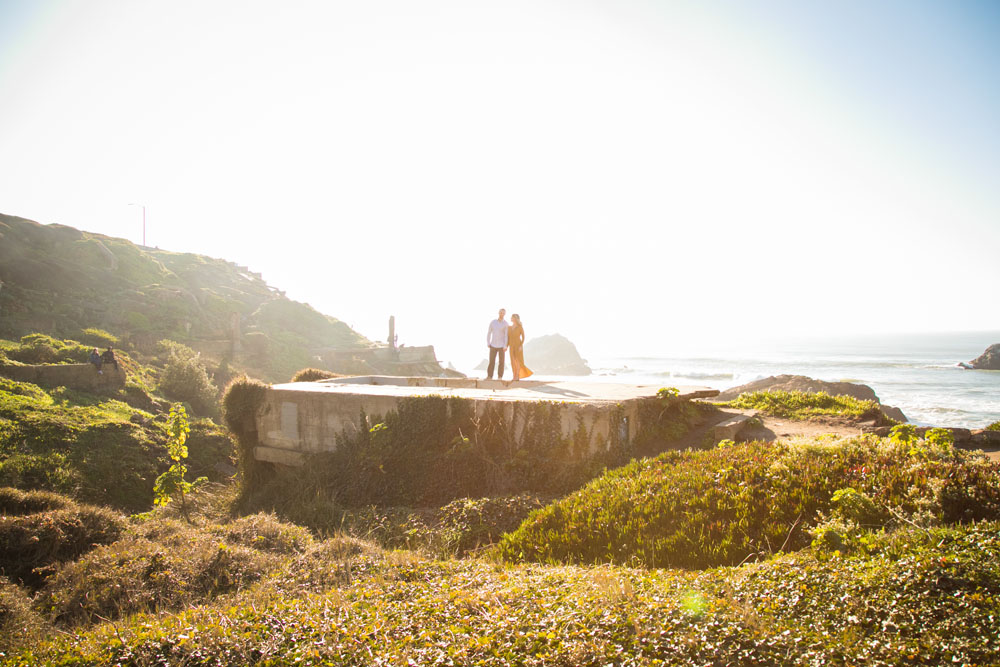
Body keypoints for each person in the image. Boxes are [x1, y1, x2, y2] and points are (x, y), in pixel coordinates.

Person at [507, 313, 533, 381]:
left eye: (512, 317)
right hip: (511, 346)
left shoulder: (520, 327)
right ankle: (514, 375)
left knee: (518, 361)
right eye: (511, 317)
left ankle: (517, 376)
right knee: (513, 361)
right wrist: (506, 346)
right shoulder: (509, 328)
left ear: (515, 319)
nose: (511, 318)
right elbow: (508, 338)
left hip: (518, 345)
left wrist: (521, 345)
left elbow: (523, 337)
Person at [486, 308, 509, 380]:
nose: (501, 314)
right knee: (491, 361)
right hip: (493, 345)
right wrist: (488, 342)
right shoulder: (493, 322)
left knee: (501, 362)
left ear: (504, 314)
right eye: (500, 312)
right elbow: (489, 333)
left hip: (501, 345)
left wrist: (505, 345)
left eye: (503, 313)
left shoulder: (506, 324)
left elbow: (506, 335)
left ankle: (500, 377)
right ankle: (489, 376)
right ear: (498, 313)